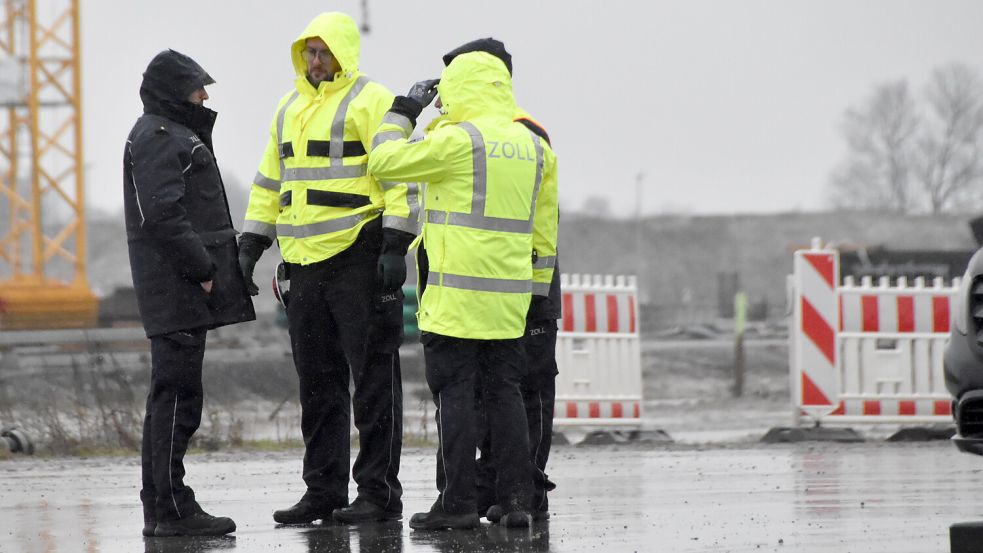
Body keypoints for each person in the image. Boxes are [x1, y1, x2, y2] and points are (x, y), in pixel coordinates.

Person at [368, 50, 559, 530]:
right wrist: (537, 292)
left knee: (455, 395)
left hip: (455, 296)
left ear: (456, 87)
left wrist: (402, 111)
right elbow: (544, 230)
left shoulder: (458, 140)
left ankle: (458, 504)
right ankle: (518, 501)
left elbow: (384, 162)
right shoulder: (534, 145)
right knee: (506, 394)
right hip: (510, 297)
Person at [238, 12, 415, 525]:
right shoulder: (287, 108)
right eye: (309, 53)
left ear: (343, 54)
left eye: (324, 53)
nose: (315, 62)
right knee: (317, 384)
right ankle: (324, 490)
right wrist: (251, 243)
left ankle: (378, 494)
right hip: (303, 264)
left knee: (375, 380)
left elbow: (402, 177)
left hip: (359, 256)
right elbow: (269, 182)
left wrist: (395, 245)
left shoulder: (372, 100)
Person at [124, 49, 255, 537]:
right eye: (197, 88)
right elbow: (163, 215)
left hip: (173, 290)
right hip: (176, 290)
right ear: (175, 91)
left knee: (170, 397)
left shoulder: (165, 133)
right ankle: (172, 508)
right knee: (178, 398)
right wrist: (202, 269)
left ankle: (162, 508)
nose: (204, 96)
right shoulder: (161, 136)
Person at [437, 38, 561, 525]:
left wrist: (538, 290)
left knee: (524, 389)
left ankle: (526, 490)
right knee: (492, 394)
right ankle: (495, 490)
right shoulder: (462, 133)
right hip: (490, 288)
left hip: (521, 287)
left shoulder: (522, 133)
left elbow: (542, 222)